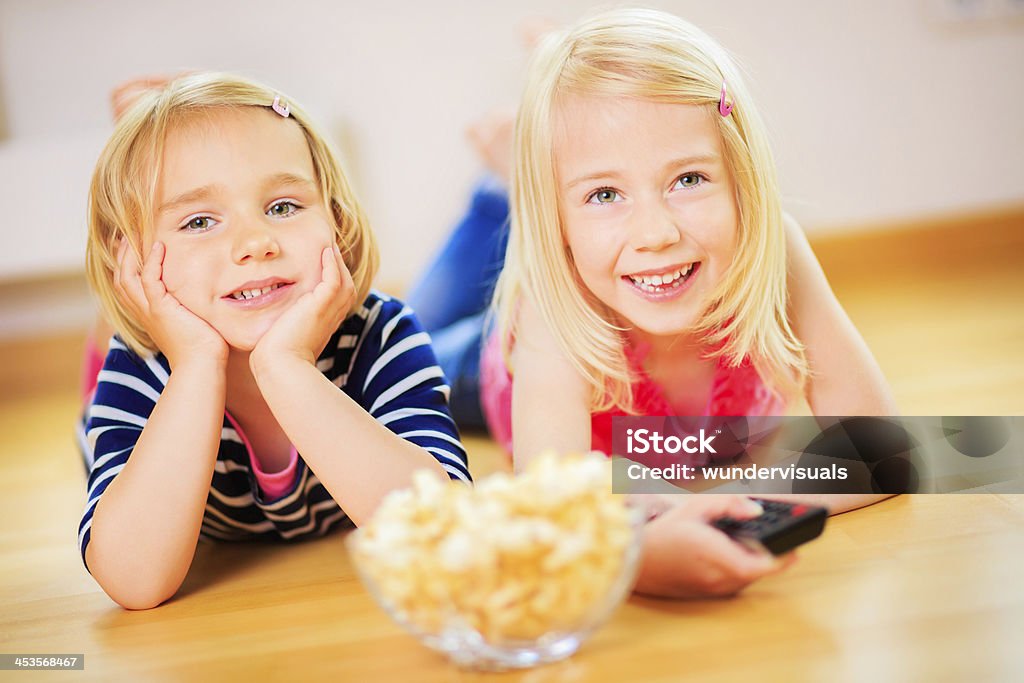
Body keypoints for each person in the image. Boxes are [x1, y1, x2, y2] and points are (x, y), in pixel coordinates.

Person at [412, 8, 898, 597]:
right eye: (605, 192)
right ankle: (505, 187)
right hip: (494, 355)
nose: (656, 233)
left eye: (688, 179)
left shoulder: (777, 250)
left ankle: (546, 162)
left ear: (742, 178)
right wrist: (636, 555)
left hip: (601, 269)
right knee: (418, 336)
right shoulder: (551, 295)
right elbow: (552, 499)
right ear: (560, 225)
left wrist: (721, 506)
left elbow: (880, 453)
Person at [79, 72, 471, 610]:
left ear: (336, 222)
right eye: (198, 220)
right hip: (141, 371)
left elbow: (447, 537)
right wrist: (195, 365)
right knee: (113, 334)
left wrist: (286, 366)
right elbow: (133, 581)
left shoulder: (381, 334)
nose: (256, 243)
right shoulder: (142, 366)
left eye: (283, 207)